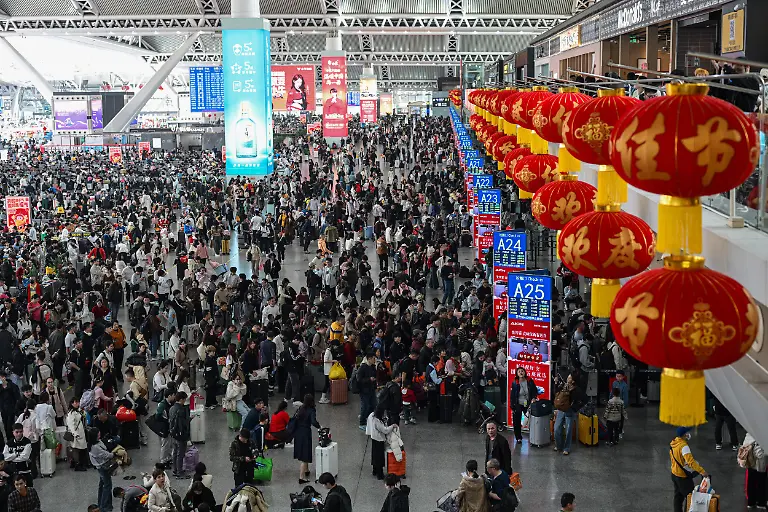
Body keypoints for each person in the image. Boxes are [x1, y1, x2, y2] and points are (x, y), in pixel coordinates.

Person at [670, 426, 707, 512]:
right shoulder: (684, 447)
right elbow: (691, 462)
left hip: (674, 474)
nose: (689, 434)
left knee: (678, 496)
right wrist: (702, 471)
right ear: (684, 435)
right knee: (690, 496)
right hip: (682, 477)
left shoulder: (674, 443)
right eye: (687, 433)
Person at [553, 373, 585, 456]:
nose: (567, 378)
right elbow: (556, 393)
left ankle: (567, 448)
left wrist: (574, 408)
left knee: (568, 430)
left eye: (569, 378)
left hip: (570, 411)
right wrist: (556, 384)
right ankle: (559, 445)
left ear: (573, 380)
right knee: (556, 428)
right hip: (561, 410)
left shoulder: (577, 390)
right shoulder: (563, 386)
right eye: (568, 377)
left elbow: (585, 399)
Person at [294, 394, 322, 484]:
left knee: (303, 451)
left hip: (298, 432)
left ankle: (306, 470)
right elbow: (313, 421)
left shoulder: (301, 408)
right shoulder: (311, 409)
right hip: (305, 433)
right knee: (305, 455)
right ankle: (301, 477)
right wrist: (319, 427)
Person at [90, 429, 117, 512]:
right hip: (103, 466)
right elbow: (106, 455)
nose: (99, 435)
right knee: (107, 486)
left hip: (100, 467)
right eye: (98, 434)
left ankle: (103, 503)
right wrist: (114, 454)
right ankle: (104, 507)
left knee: (102, 484)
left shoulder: (93, 444)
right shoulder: (95, 447)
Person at [366, 405, 396, 480]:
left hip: (373, 438)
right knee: (379, 457)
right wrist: (392, 426)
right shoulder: (378, 421)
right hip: (379, 439)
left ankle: (374, 470)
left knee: (374, 455)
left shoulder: (371, 415)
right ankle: (380, 474)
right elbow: (385, 430)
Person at [510, 367, 538, 443]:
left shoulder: (529, 381)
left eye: (522, 371)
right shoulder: (515, 382)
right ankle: (518, 437)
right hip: (518, 403)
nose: (521, 373)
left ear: (525, 372)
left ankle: (533, 436)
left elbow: (534, 390)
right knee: (517, 421)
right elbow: (512, 395)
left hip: (527, 403)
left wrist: (534, 398)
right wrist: (512, 405)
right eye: (519, 371)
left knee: (531, 419)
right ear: (517, 374)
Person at [168, 391, 191, 479]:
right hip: (181, 435)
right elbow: (183, 423)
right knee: (180, 454)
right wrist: (189, 419)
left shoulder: (172, 408)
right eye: (184, 400)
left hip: (173, 433)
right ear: (181, 399)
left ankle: (175, 470)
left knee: (175, 452)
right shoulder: (181, 410)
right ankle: (180, 472)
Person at [741, 432, 767, 508]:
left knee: (751, 479)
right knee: (761, 480)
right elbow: (761, 453)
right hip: (760, 458)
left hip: (750, 457)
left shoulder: (751, 428)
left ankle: (751, 502)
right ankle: (761, 503)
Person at [358, 352, 378, 430]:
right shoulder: (362, 367)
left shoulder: (373, 367)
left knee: (373, 405)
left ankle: (369, 419)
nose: (374, 360)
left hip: (371, 389)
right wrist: (369, 379)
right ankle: (362, 422)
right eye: (373, 358)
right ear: (369, 359)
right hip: (364, 390)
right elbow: (359, 379)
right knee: (365, 406)